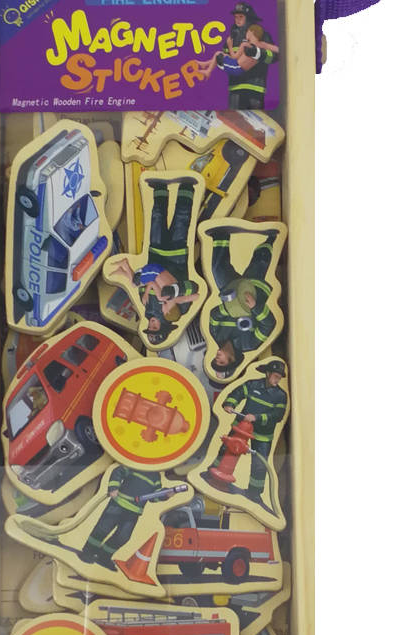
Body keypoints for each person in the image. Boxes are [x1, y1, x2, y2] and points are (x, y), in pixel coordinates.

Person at [110, 178, 201, 345]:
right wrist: (175, 291)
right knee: (181, 219)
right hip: (176, 255)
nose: (151, 324)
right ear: (164, 325)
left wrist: (144, 290)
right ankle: (187, 187)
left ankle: (160, 188)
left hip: (156, 254)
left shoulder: (148, 308)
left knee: (157, 217)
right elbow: (194, 288)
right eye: (154, 327)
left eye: (149, 327)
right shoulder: (179, 310)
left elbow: (143, 283)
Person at [203, 225, 281, 378]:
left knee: (218, 269)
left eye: (215, 360)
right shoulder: (250, 343)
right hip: (252, 292)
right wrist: (255, 306)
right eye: (221, 361)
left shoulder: (216, 335)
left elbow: (213, 316)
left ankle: (220, 235)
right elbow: (268, 325)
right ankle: (271, 239)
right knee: (259, 262)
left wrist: (228, 308)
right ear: (232, 359)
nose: (217, 357)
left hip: (231, 290)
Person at [213, 360, 288, 507]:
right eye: (275, 376)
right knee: (226, 449)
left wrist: (257, 418)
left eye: (279, 377)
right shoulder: (253, 385)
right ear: (267, 374)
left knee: (259, 464)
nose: (277, 380)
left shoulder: (280, 395)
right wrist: (230, 403)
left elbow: (277, 415)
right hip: (241, 428)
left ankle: (254, 494)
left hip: (262, 435)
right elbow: (238, 392)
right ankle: (212, 473)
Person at [77, 466, 163, 568]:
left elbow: (154, 498)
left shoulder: (156, 477)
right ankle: (88, 552)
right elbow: (118, 471)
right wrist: (113, 488)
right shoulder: (135, 465)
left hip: (134, 512)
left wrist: (166, 494)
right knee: (102, 529)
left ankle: (103, 556)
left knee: (123, 537)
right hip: (118, 504)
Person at [225, 2, 278, 109]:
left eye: (241, 17)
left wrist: (257, 53)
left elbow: (274, 56)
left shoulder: (261, 35)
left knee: (256, 119)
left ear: (248, 18)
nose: (237, 20)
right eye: (236, 17)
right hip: (235, 89)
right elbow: (227, 58)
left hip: (255, 88)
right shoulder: (232, 37)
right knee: (233, 119)